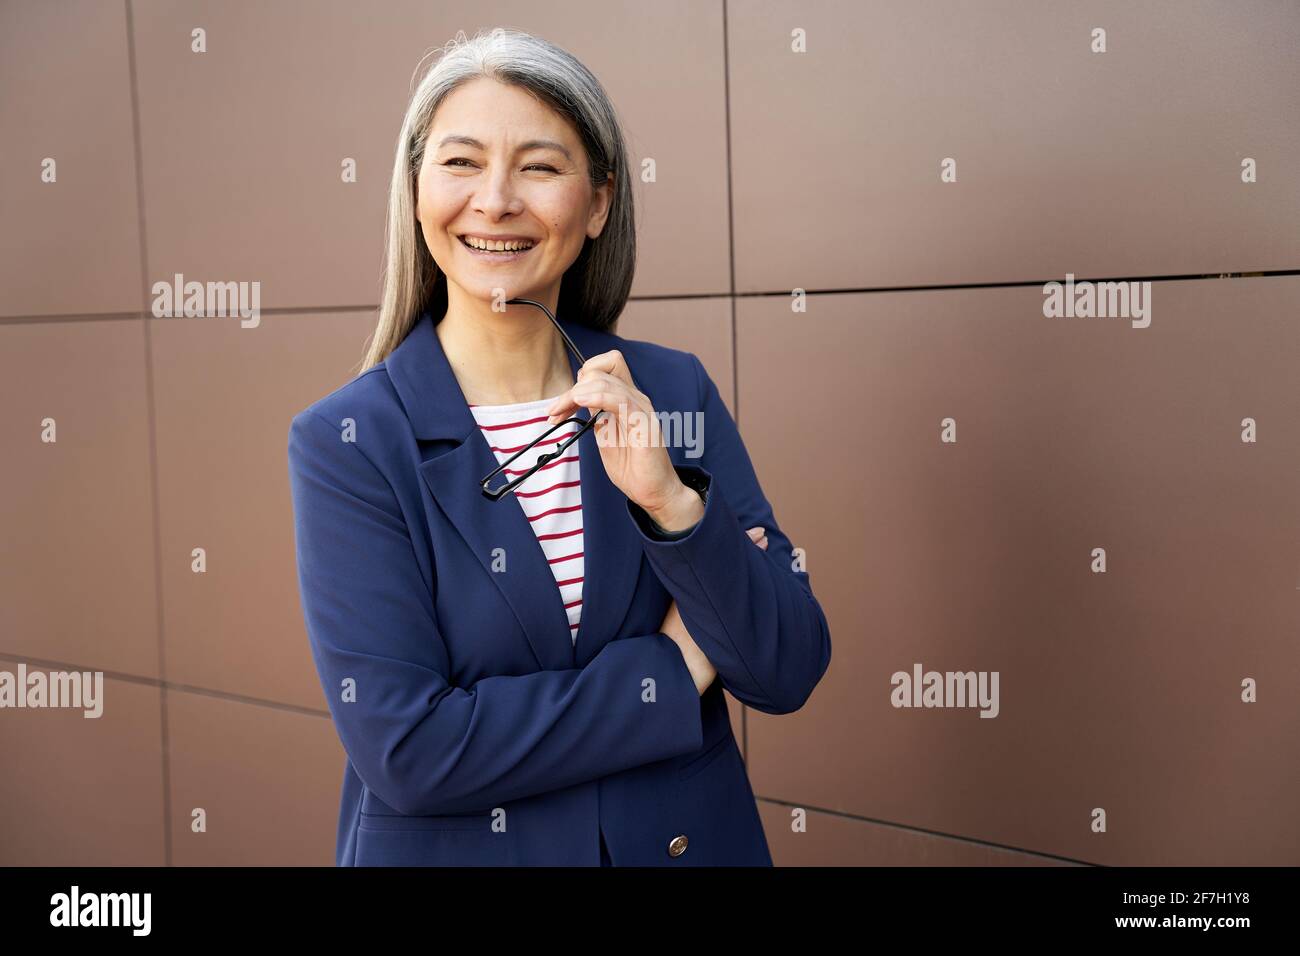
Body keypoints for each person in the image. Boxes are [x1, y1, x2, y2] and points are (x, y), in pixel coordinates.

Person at [287, 27, 831, 866]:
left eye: (539, 166)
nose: (496, 200)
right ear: (416, 189)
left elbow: (786, 663)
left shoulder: (670, 391)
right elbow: (412, 752)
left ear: (599, 201)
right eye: (461, 162)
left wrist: (674, 508)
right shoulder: (351, 442)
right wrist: (674, 670)